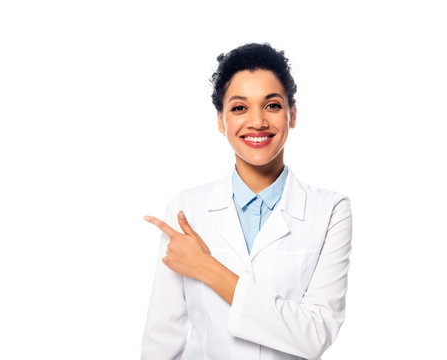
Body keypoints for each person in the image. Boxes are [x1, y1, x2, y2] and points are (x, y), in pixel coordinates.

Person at [141, 42, 352, 360]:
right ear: (220, 120)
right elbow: (162, 340)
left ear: (292, 115)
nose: (257, 122)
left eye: (272, 105)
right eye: (239, 107)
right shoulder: (185, 210)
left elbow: (315, 335)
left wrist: (205, 266)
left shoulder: (331, 210)